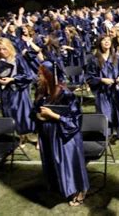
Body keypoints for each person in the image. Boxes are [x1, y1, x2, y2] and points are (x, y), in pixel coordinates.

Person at [31, 61, 89, 206]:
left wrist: (54, 116)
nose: (38, 77)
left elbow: (75, 121)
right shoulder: (41, 92)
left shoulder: (66, 94)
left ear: (50, 75)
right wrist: (39, 116)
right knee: (55, 164)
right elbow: (34, 112)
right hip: (48, 135)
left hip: (66, 135)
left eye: (41, 74)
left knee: (69, 164)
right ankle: (64, 189)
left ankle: (79, 190)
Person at [85, 35, 119, 145]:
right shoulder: (94, 60)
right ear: (99, 43)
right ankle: (108, 134)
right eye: (104, 40)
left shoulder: (117, 58)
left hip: (117, 91)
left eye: (108, 40)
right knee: (105, 114)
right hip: (103, 92)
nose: (106, 42)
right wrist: (101, 79)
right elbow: (89, 77)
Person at [0, 38, 35, 147]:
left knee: (25, 116)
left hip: (19, 92)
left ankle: (37, 138)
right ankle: (22, 137)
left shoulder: (18, 59)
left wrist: (12, 79)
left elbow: (28, 76)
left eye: (4, 49)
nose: (2, 51)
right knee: (13, 116)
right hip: (7, 92)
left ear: (9, 48)